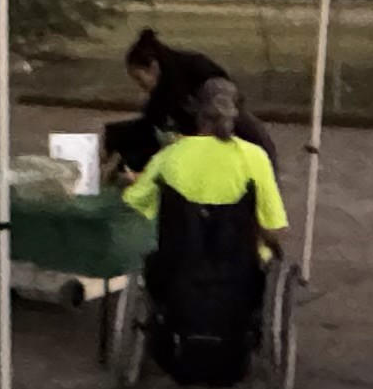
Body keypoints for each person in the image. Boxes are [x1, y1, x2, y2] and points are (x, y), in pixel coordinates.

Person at [121, 71, 289, 257]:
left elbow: (136, 203)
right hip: (242, 274)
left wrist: (132, 180)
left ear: (197, 115)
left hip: (178, 272)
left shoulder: (170, 156)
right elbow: (273, 229)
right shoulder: (255, 157)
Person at [105, 26, 269, 177]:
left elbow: (214, 135)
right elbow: (150, 126)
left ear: (153, 67)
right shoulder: (167, 88)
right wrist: (115, 144)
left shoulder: (212, 87)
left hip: (246, 153)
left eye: (140, 80)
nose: (140, 88)